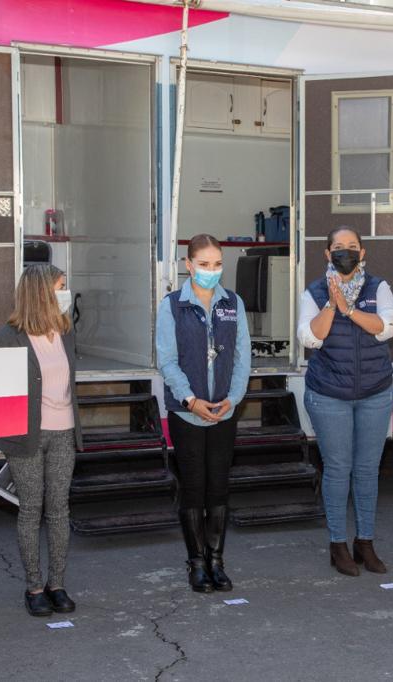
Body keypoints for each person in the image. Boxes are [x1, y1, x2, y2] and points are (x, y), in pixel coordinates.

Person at [298, 226, 393, 577]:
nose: (346, 252)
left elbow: (387, 327)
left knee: (368, 470)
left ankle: (366, 543)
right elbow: (311, 337)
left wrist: (350, 309)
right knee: (339, 469)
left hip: (374, 392)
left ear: (363, 252)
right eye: (338, 248)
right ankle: (338, 545)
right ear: (327, 254)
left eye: (352, 247)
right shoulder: (313, 291)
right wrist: (332, 302)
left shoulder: (378, 287)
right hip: (329, 395)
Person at [156, 234, 251, 593]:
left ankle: (217, 561)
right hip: (188, 414)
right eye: (204, 264)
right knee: (194, 487)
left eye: (217, 265)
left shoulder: (233, 304)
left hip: (225, 411)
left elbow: (243, 356)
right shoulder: (172, 305)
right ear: (188, 265)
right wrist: (190, 400)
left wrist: (234, 398)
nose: (211, 271)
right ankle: (196, 564)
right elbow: (167, 360)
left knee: (219, 488)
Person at [0, 264, 83, 616]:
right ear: (41, 292)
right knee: (31, 510)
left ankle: (56, 584)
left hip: (63, 432)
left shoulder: (66, 331)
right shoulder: (6, 337)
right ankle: (34, 586)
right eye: (61, 286)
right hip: (25, 436)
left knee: (59, 510)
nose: (65, 292)